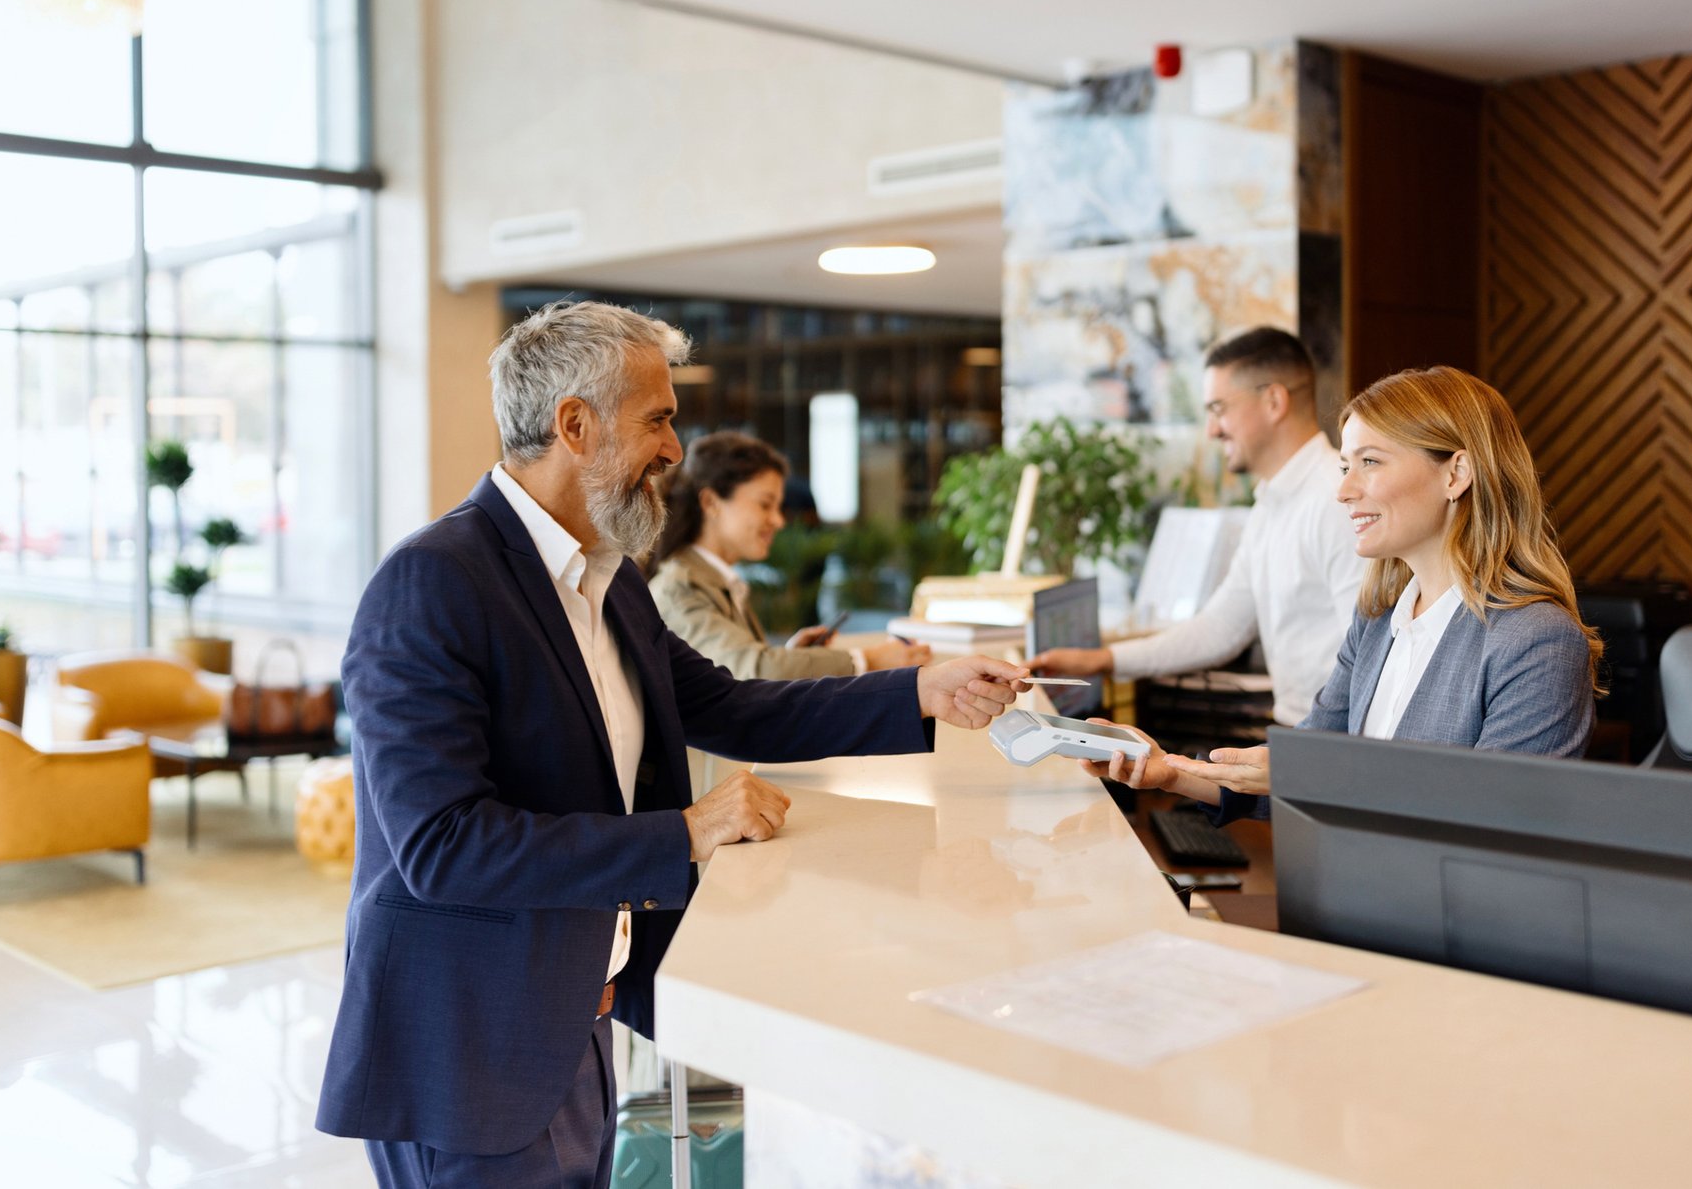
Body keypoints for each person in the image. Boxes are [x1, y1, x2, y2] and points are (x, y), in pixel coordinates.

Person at [315, 301, 1024, 1187]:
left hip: (576, 1007)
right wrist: (687, 830)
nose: (676, 449)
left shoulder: (606, 577)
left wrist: (920, 690)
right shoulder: (431, 582)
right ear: (575, 424)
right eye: (658, 418)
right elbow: (442, 845)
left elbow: (735, 708)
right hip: (470, 1043)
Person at [1085, 365, 1602, 823]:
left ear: (1456, 473)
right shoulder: (1378, 621)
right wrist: (1168, 772)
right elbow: (1298, 771)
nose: (1344, 490)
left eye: (1371, 462)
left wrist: (1311, 775)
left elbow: (1496, 819)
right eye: (1344, 466)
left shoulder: (1537, 641)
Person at [1027, 327, 1362, 728]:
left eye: (1219, 408)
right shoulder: (1272, 503)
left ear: (1274, 401)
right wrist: (1105, 660)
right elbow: (1221, 628)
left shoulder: (1335, 499)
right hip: (1296, 741)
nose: (1211, 430)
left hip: (1325, 746)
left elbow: (1364, 659)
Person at [647, 430, 930, 679]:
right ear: (711, 502)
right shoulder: (680, 588)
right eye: (765, 504)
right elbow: (754, 670)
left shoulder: (715, 580)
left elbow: (733, 672)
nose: (779, 521)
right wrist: (868, 660)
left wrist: (793, 657)